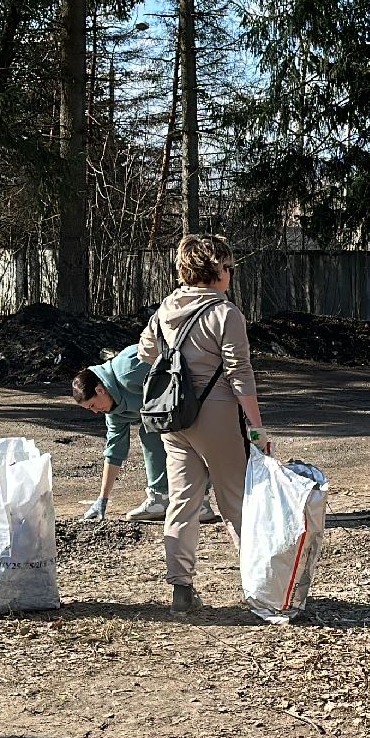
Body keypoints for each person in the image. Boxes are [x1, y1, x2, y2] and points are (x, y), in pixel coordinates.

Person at [138, 234, 269, 613]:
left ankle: (181, 588)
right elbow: (240, 373)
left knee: (183, 501)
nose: (231, 274)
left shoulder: (166, 308)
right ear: (216, 271)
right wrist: (257, 429)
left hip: (176, 417)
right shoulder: (226, 314)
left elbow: (147, 350)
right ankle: (260, 586)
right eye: (229, 268)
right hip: (218, 416)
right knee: (236, 502)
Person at [69, 347, 219, 525]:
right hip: (168, 409)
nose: (95, 412)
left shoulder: (129, 369)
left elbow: (177, 364)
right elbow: (114, 453)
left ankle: (200, 502)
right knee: (150, 430)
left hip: (194, 391)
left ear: (100, 390)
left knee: (186, 434)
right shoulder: (114, 413)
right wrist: (102, 500)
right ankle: (159, 499)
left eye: (93, 405)